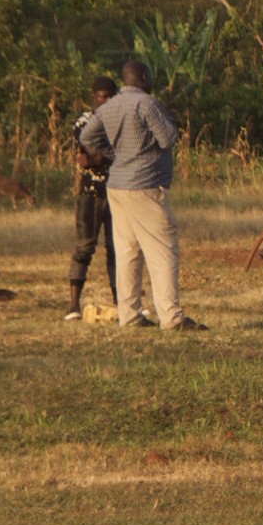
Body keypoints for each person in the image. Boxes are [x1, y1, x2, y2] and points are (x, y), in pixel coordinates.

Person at [79, 60, 205, 330]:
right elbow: (168, 138)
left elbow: (87, 136)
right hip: (146, 186)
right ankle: (171, 318)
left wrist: (110, 154)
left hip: (117, 186)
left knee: (127, 252)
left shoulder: (109, 105)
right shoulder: (147, 104)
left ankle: (130, 315)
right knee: (162, 250)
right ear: (144, 77)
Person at [65, 76, 124, 321]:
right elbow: (95, 153)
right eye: (103, 97)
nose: (107, 101)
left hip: (119, 191)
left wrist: (97, 158)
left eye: (111, 96)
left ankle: (121, 302)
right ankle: (73, 305)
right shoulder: (84, 121)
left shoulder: (121, 119)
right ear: (94, 97)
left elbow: (99, 157)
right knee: (84, 247)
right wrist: (98, 158)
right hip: (91, 193)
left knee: (117, 249)